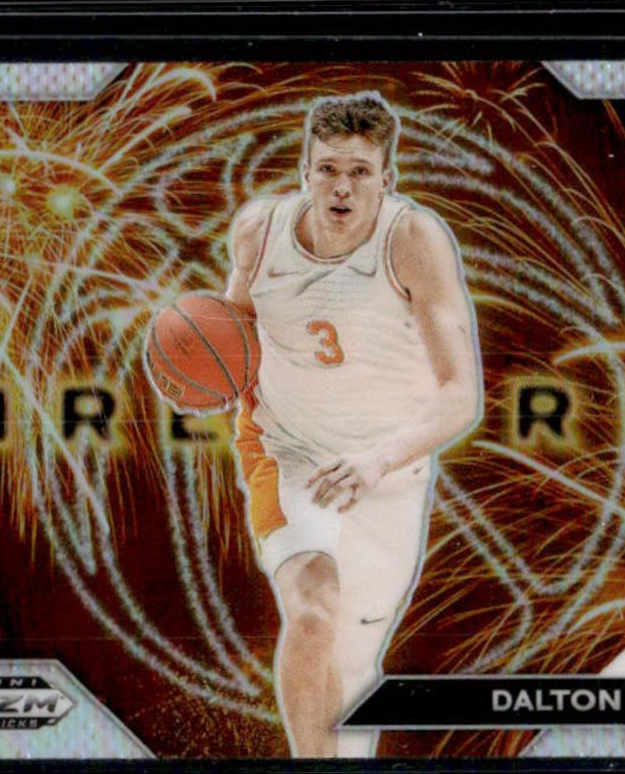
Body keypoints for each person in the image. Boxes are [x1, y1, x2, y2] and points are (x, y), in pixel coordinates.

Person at [225, 92, 482, 758]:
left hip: (386, 471)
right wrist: (202, 375)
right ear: (305, 173)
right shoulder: (258, 233)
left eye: (360, 172)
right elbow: (229, 342)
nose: (341, 187)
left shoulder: (413, 241)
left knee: (352, 659)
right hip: (287, 452)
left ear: (386, 178)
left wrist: (377, 459)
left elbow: (460, 397)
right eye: (328, 170)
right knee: (313, 612)